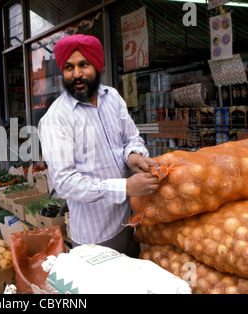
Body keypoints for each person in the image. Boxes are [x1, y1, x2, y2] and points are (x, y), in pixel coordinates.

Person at [38, 34, 160, 257]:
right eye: (68, 67)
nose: (77, 74)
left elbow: (130, 138)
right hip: (96, 237)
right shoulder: (57, 118)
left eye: (83, 64)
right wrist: (124, 187)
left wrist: (133, 155)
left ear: (96, 65)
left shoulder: (111, 97)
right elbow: (64, 182)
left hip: (131, 220)